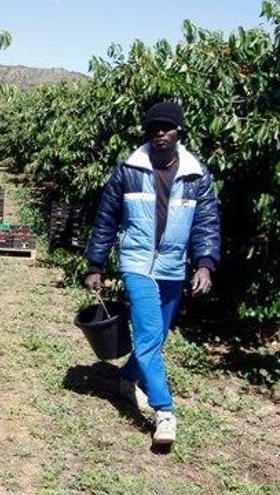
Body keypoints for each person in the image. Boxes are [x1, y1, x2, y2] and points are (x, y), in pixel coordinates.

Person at [84, 101, 221, 446]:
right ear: (147, 133)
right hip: (137, 263)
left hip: (173, 266)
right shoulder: (129, 170)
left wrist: (205, 263)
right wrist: (95, 264)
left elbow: (206, 223)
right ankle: (164, 411)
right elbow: (106, 218)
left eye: (167, 128)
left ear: (179, 132)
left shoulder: (197, 175)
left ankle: (127, 380)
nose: (160, 133)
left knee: (157, 337)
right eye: (153, 128)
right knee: (148, 337)